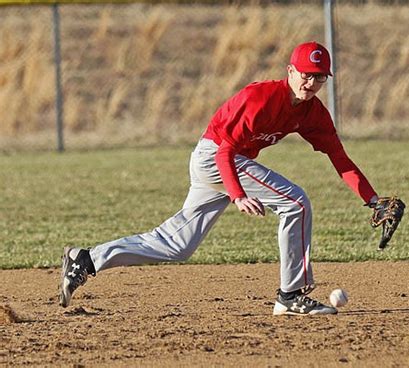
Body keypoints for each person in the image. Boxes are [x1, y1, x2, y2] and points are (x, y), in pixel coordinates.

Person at [59, 41, 379, 315]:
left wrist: (373, 200)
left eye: (319, 77)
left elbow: (340, 158)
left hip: (221, 163)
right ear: (291, 71)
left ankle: (87, 259)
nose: (311, 83)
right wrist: (237, 195)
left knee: (178, 246)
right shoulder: (262, 98)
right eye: (306, 75)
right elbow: (224, 153)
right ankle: (291, 295)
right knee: (296, 202)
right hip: (216, 158)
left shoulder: (313, 113)